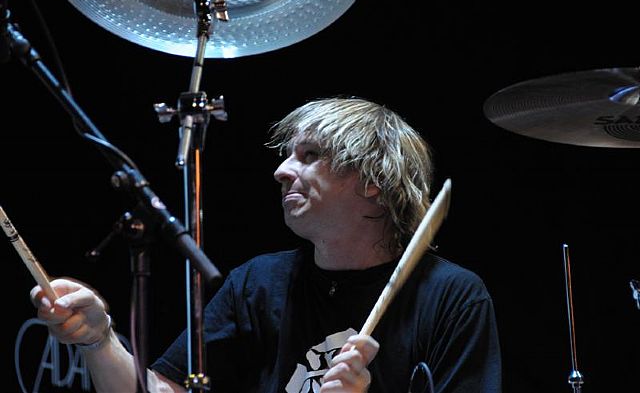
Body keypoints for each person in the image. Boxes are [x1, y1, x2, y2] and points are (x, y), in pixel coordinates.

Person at [30, 97, 502, 392]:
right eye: (287, 156)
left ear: (372, 180)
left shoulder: (452, 296)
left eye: (310, 155)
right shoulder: (259, 283)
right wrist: (98, 340)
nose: (281, 171)